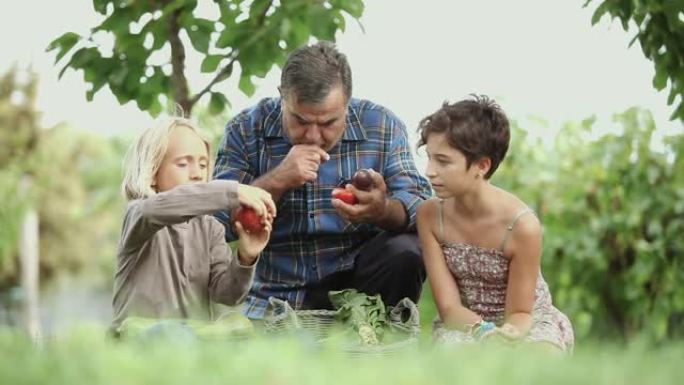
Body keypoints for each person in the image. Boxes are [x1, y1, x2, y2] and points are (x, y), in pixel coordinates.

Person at [213, 41, 432, 318]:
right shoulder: (244, 130)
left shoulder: (382, 125)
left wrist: (382, 210)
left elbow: (422, 206)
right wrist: (276, 181)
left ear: (347, 103)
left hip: (360, 282)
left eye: (328, 123)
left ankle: (382, 336)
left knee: (406, 250)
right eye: (301, 121)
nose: (314, 136)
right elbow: (217, 224)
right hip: (276, 291)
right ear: (283, 97)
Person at [415, 96, 574, 352]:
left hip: (525, 321)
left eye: (442, 161)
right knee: (456, 359)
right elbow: (449, 308)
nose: (429, 171)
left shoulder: (522, 226)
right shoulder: (430, 216)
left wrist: (507, 336)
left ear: (482, 165)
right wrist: (484, 332)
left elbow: (521, 312)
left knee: (538, 359)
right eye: (430, 158)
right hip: (464, 324)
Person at [111, 117, 276, 331]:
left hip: (192, 349)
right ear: (152, 172)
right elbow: (159, 207)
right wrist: (233, 191)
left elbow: (227, 295)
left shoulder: (211, 228)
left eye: (203, 164)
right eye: (182, 163)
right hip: (137, 341)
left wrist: (246, 257)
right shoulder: (140, 214)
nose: (197, 173)